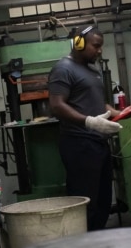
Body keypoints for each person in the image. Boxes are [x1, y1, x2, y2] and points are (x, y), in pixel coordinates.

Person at [48, 26, 126, 231]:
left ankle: (97, 245)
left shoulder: (92, 71)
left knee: (102, 202)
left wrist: (117, 113)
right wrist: (89, 122)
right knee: (85, 205)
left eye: (101, 46)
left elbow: (100, 104)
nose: (100, 51)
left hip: (98, 144)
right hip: (78, 144)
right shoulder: (63, 69)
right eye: (96, 46)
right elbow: (56, 105)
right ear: (79, 43)